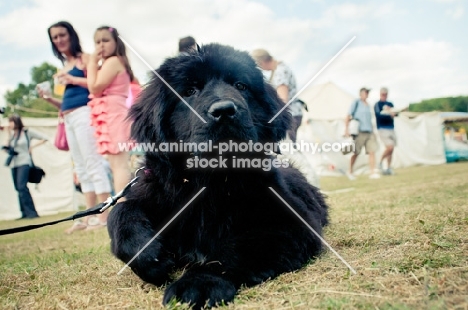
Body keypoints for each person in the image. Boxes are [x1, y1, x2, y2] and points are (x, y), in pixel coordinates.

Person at [38, 21, 112, 233]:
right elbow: (65, 104)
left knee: (92, 162)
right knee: (80, 167)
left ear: (71, 35)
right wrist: (49, 99)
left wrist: (71, 79)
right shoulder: (63, 68)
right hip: (68, 117)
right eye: (54, 37)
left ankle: (104, 216)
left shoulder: (85, 59)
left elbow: (97, 84)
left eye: (62, 35)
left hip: (85, 113)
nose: (59, 40)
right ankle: (89, 216)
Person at [87, 26, 133, 203]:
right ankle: (122, 203)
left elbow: (95, 87)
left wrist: (92, 63)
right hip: (112, 112)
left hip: (114, 113)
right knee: (116, 164)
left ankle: (122, 205)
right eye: (97, 42)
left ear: (116, 42)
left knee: (119, 165)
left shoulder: (113, 61)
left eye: (105, 40)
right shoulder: (114, 62)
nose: (100, 45)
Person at [251, 49, 303, 143]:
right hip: (295, 113)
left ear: (262, 63)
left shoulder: (280, 72)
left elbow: (283, 100)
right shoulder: (280, 68)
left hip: (291, 115)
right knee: (291, 145)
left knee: (288, 146)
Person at [2, 115, 47, 219]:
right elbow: (5, 148)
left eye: (11, 122)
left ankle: (31, 212)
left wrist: (32, 147)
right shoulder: (12, 135)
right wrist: (8, 134)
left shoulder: (26, 133)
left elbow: (44, 138)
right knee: (18, 188)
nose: (10, 124)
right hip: (14, 163)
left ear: (16, 122)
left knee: (22, 186)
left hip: (24, 162)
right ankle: (24, 213)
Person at [344, 88, 380, 180]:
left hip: (369, 132)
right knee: (356, 152)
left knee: (372, 151)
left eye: (368, 92)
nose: (367, 94)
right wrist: (346, 129)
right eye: (366, 92)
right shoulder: (356, 103)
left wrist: (374, 131)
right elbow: (348, 115)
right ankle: (350, 171)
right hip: (359, 131)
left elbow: (371, 119)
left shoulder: (369, 105)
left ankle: (372, 172)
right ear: (361, 94)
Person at [374, 87, 397, 175]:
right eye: (382, 94)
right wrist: (389, 115)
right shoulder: (378, 104)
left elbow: (395, 113)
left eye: (385, 94)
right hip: (382, 128)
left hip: (391, 128)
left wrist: (395, 113)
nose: (384, 96)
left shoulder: (390, 103)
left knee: (392, 149)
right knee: (390, 147)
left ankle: (388, 168)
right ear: (380, 94)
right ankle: (380, 162)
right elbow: (378, 116)